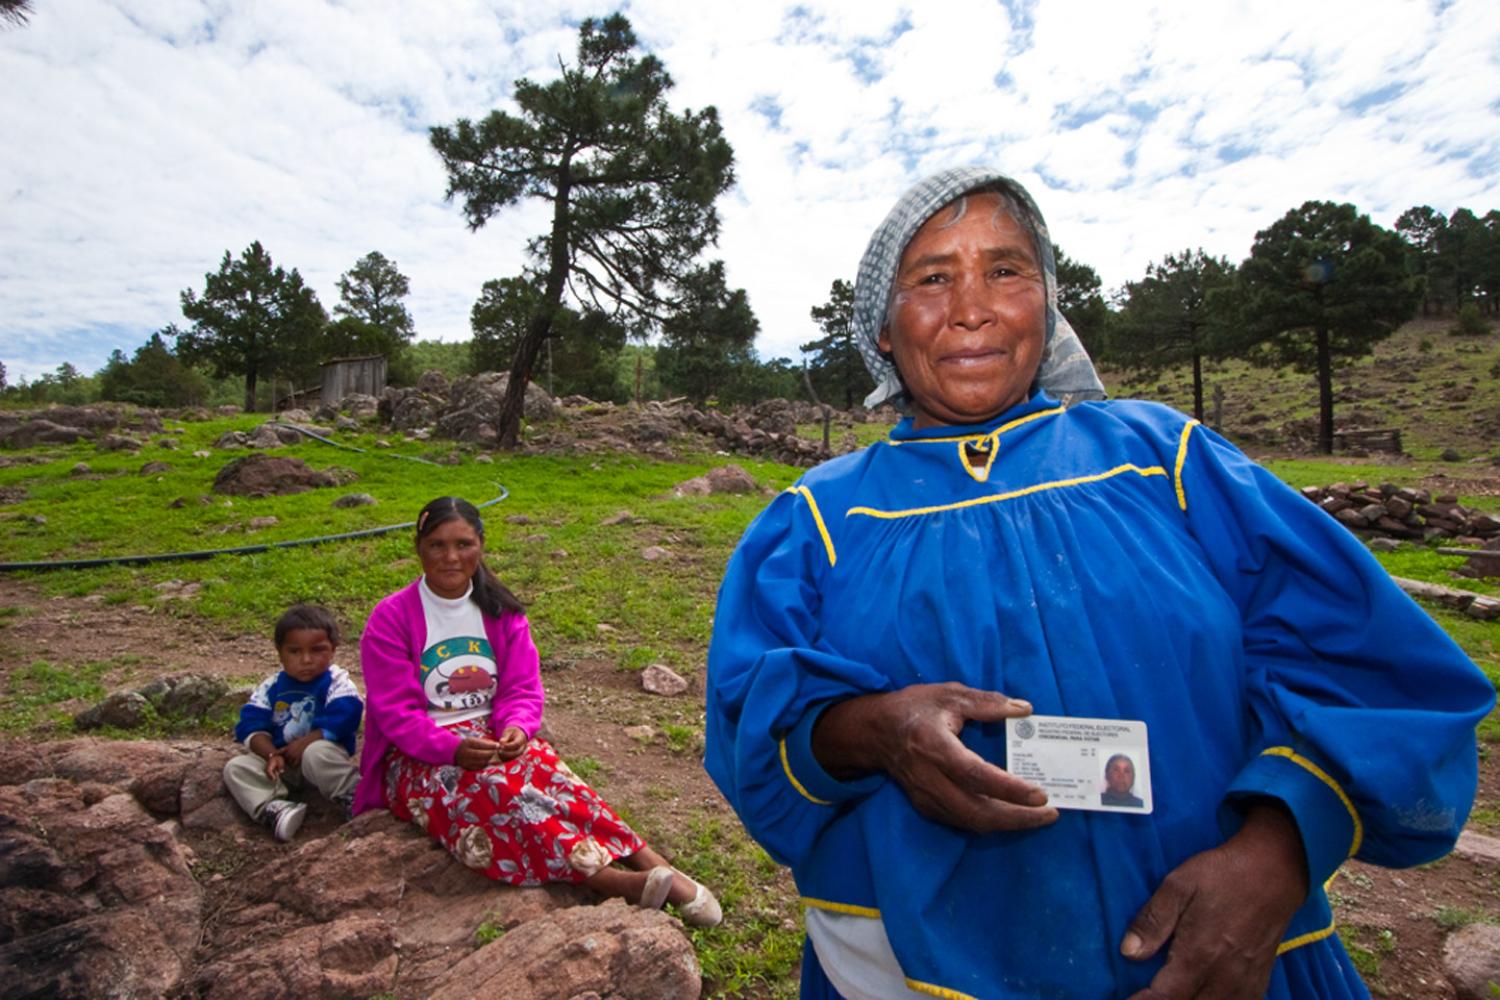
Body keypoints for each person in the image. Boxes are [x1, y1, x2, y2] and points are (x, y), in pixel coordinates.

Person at [705, 166, 1494, 999]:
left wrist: (1278, 852)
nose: (971, 306)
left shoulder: (1165, 459)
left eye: (1005, 270)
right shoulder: (818, 519)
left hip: (1219, 959)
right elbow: (751, 729)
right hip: (907, 973)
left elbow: (1368, 665)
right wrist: (873, 731)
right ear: (883, 332)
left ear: (1046, 305)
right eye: (932, 277)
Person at [355, 496, 720, 926]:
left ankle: (647, 858)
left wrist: (517, 728)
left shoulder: (501, 613)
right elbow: (396, 713)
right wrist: (451, 750)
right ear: (419, 548)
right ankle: (614, 883)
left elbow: (522, 689)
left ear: (481, 546)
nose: (451, 557)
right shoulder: (391, 618)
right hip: (418, 755)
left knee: (551, 773)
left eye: (463, 544)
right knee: (497, 794)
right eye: (437, 545)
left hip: (491, 734)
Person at [223, 603, 363, 842]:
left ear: (333, 650)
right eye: (295, 652)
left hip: (319, 758)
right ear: (280, 652)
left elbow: (347, 714)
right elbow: (251, 724)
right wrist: (270, 755)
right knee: (236, 767)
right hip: (281, 764)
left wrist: (309, 741)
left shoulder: (337, 681)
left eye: (317, 650)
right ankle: (274, 807)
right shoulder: (271, 686)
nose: (306, 660)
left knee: (318, 754)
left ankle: (353, 795)